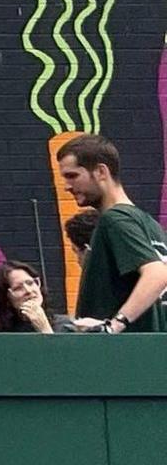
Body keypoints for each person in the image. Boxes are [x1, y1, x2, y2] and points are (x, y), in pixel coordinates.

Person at [58, 135, 167, 333]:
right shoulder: (150, 225)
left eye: (72, 176)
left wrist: (113, 326)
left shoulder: (115, 220)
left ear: (101, 171)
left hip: (121, 357)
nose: (66, 186)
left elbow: (158, 274)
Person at [0, 260, 66, 333]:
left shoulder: (65, 326)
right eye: (18, 288)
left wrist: (44, 328)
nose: (28, 291)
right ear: (6, 298)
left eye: (30, 283)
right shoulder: (0, 334)